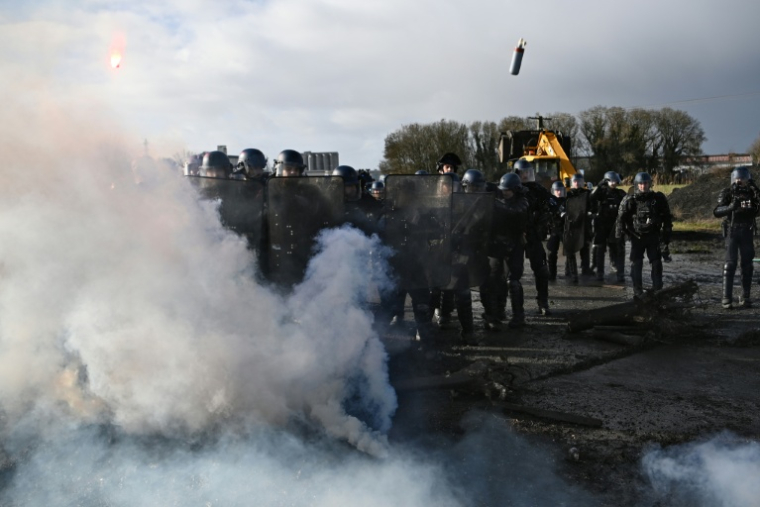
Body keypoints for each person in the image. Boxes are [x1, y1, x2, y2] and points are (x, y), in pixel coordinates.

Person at [482, 172, 529, 329]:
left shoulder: (522, 202)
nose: (504, 192)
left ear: (515, 189)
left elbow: (514, 212)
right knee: (493, 278)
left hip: (514, 245)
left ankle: (518, 316)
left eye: (507, 190)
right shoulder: (498, 199)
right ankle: (496, 313)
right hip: (497, 244)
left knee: (513, 281)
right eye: (503, 189)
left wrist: (494, 204)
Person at [616, 172, 673, 297]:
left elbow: (667, 218)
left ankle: (658, 289)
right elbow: (620, 219)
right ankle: (638, 291)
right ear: (637, 185)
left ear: (650, 184)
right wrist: (621, 236)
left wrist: (666, 239)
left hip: (653, 236)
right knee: (636, 264)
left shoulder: (658, 199)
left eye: (646, 183)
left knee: (656, 262)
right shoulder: (630, 199)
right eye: (641, 184)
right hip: (637, 236)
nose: (643, 186)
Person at [713, 166, 760, 309]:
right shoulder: (728, 193)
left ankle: (745, 296)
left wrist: (755, 189)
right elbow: (717, 211)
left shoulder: (752, 194)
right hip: (732, 231)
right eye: (738, 178)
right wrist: (730, 207)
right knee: (730, 263)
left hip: (747, 230)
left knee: (747, 264)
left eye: (743, 178)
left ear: (748, 179)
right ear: (733, 179)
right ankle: (726, 298)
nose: (740, 181)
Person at [514, 159, 555, 315]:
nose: (525, 175)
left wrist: (543, 222)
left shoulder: (538, 190)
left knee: (542, 270)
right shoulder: (511, 188)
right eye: (522, 173)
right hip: (516, 235)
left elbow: (551, 205)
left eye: (527, 172)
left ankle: (543, 302)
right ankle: (514, 309)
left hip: (533, 234)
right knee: (512, 273)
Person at [592, 171, 627, 283]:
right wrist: (599, 186)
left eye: (614, 181)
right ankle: (600, 273)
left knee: (618, 249)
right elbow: (591, 197)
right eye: (610, 181)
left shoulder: (620, 193)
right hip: (602, 225)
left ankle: (620, 273)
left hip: (615, 225)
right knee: (600, 250)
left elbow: (628, 204)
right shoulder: (601, 193)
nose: (613, 183)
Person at [563, 173, 595, 284]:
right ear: (572, 183)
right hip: (571, 227)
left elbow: (594, 206)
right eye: (575, 181)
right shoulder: (567, 195)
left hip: (584, 225)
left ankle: (585, 271)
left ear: (583, 182)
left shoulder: (588, 194)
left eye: (579, 181)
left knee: (585, 250)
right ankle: (571, 274)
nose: (577, 183)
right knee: (570, 251)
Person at [547, 180, 567, 281]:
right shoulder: (550, 202)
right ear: (553, 191)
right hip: (554, 229)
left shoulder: (567, 201)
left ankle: (570, 273)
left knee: (569, 251)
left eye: (560, 190)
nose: (559, 192)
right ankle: (552, 274)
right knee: (551, 253)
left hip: (565, 229)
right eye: (557, 190)